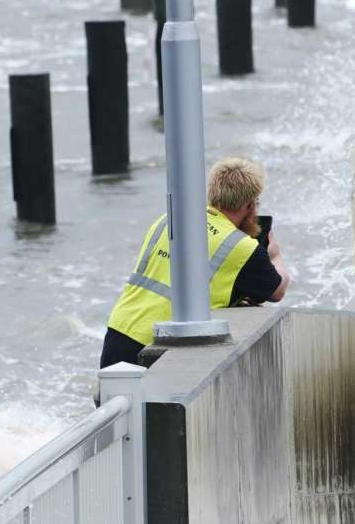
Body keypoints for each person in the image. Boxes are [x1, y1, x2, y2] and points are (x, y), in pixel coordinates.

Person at [99, 157, 289, 369]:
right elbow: (277, 291)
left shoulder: (168, 219)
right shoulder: (242, 247)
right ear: (250, 204)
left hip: (120, 330)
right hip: (164, 344)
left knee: (115, 392)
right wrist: (275, 255)